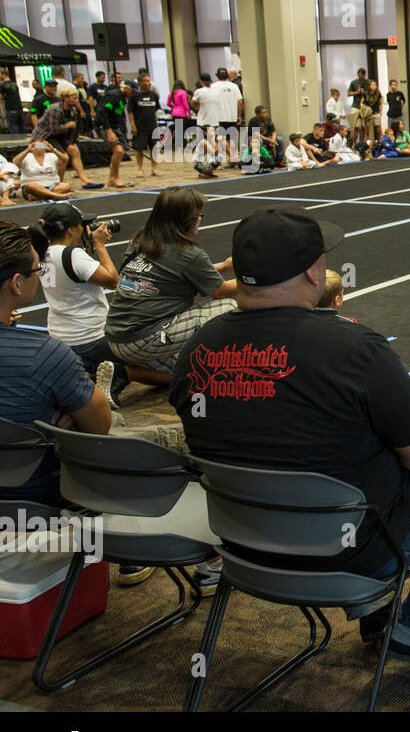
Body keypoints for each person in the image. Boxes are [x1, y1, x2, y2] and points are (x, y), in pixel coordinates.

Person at [169, 209, 410, 666]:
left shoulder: (197, 346)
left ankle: (376, 609)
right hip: (344, 546)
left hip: (241, 541)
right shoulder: (354, 347)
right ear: (313, 272)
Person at [0, 221, 112, 508]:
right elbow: (99, 426)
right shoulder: (46, 355)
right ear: (16, 283)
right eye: (37, 270)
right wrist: (68, 424)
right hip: (36, 504)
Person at [104, 188, 238, 387]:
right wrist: (253, 273)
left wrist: (220, 267)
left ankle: (125, 373)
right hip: (143, 339)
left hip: (117, 337)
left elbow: (164, 271)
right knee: (229, 306)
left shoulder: (142, 238)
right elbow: (220, 291)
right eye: (200, 215)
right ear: (189, 219)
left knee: (194, 372)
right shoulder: (187, 252)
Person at [29, 203, 131, 405]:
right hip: (92, 337)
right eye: (83, 224)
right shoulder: (73, 255)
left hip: (61, 338)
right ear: (71, 229)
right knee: (149, 356)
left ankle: (86, 369)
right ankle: (120, 374)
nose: (87, 228)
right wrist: (100, 246)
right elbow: (113, 281)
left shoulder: (41, 253)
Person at [31, 81, 104, 189]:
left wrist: (71, 142)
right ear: (66, 98)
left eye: (77, 97)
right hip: (45, 135)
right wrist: (68, 126)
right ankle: (59, 183)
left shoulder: (73, 110)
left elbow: (71, 130)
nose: (77, 100)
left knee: (74, 151)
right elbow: (53, 130)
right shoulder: (55, 109)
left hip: (59, 134)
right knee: (63, 157)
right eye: (74, 98)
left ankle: (83, 180)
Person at [127, 73, 163, 179]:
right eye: (146, 81)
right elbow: (130, 112)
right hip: (140, 127)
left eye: (149, 81)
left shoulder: (153, 95)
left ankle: (154, 169)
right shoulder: (134, 96)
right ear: (140, 83)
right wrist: (133, 125)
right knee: (139, 149)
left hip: (152, 126)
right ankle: (140, 169)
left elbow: (156, 109)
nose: (149, 83)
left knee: (154, 148)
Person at [211, 68, 244, 163]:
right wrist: (239, 116)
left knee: (221, 139)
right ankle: (232, 158)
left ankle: (232, 158)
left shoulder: (213, 86)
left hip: (219, 117)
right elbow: (240, 101)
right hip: (232, 116)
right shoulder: (234, 86)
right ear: (227, 76)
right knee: (231, 139)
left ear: (217, 75)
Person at [167, 79, 192, 156]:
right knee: (183, 130)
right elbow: (185, 103)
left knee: (177, 130)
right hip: (182, 114)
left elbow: (168, 103)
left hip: (174, 113)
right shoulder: (183, 92)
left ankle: (178, 147)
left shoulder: (171, 93)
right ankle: (183, 147)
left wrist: (174, 107)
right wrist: (189, 112)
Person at [0, 68, 25, 134]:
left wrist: (4, 96)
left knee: (13, 127)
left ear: (2, 74)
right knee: (22, 126)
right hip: (19, 108)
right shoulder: (14, 83)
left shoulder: (2, 85)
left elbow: (1, 97)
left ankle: (16, 143)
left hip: (10, 108)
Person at [346, 68, 368, 134]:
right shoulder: (354, 82)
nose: (360, 77)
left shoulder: (368, 82)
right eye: (359, 75)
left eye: (361, 76)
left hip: (365, 106)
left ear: (364, 75)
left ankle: (362, 142)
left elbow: (370, 93)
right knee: (355, 126)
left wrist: (363, 92)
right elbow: (348, 93)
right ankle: (354, 142)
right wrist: (356, 92)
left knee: (364, 126)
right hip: (355, 106)